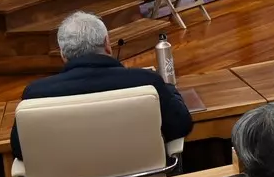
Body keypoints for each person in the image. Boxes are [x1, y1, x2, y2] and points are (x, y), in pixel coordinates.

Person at [12, 11, 193, 157]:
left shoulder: (35, 94)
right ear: (107, 44)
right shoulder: (147, 83)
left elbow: (20, 150)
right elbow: (181, 125)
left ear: (63, 54)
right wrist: (169, 89)